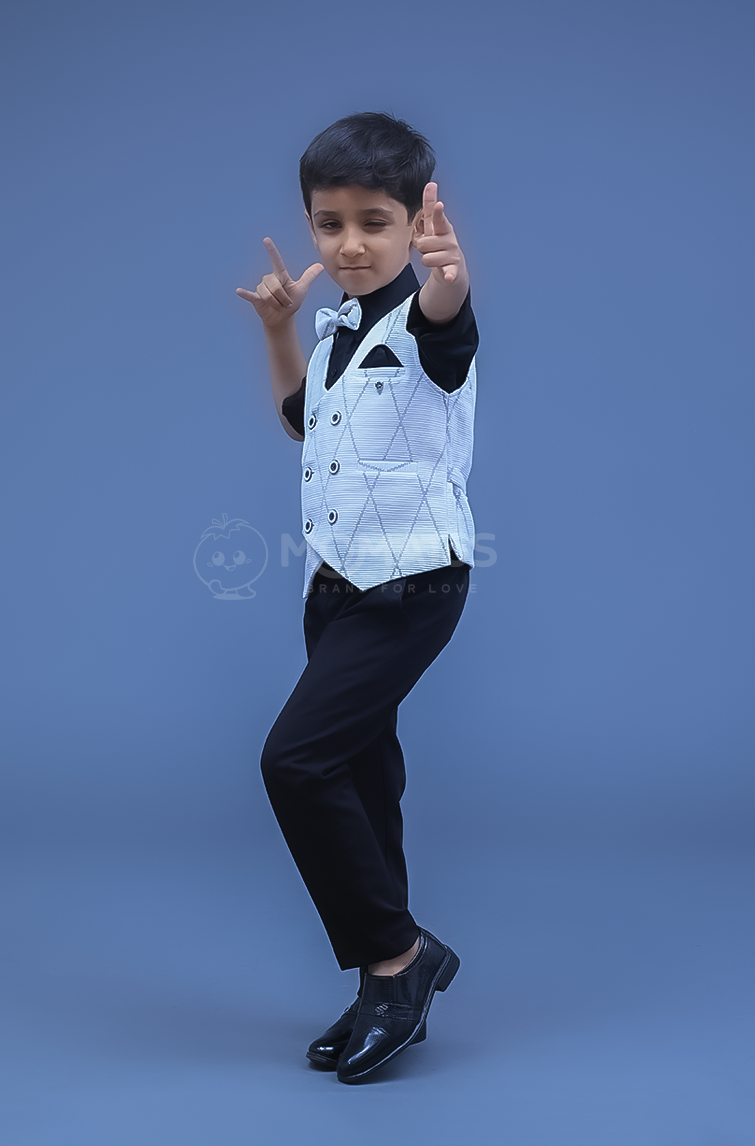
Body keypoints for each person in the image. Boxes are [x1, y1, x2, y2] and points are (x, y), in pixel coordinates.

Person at [236, 112, 478, 1083]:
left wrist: (448, 276)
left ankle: (397, 956)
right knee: (363, 776)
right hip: (333, 586)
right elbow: (304, 420)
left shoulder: (427, 322)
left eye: (374, 222)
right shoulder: (334, 328)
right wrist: (279, 330)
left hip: (412, 583)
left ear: (413, 223)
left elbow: (446, 317)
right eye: (328, 223)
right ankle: (392, 987)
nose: (348, 244)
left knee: (294, 762)